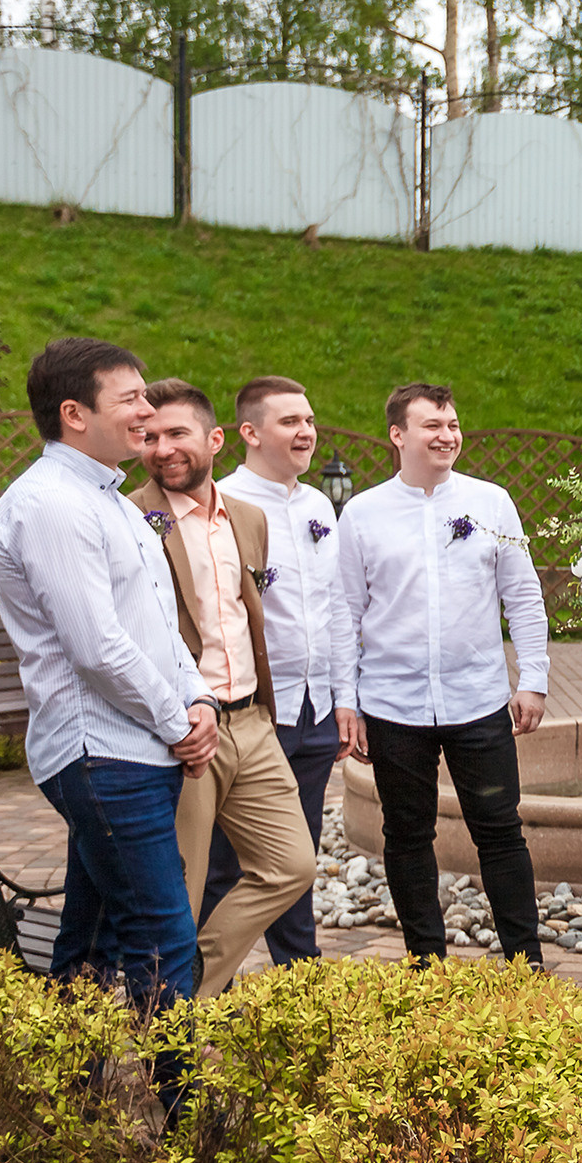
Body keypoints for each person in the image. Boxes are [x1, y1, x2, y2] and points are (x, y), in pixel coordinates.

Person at [0, 338, 218, 1013]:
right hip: (104, 756)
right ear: (74, 413)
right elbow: (97, 647)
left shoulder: (113, 502)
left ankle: (72, 1095)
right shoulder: (52, 505)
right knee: (164, 940)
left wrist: (198, 697)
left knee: (89, 940)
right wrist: (181, 724)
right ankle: (185, 1113)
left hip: (134, 750)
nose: (148, 409)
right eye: (132, 398)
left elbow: (157, 624)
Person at [335, 383, 549, 966]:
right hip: (392, 708)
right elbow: (344, 612)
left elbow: (523, 596)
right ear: (398, 435)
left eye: (453, 424)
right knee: (406, 837)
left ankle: (526, 967)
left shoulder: (491, 502)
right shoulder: (363, 514)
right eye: (432, 425)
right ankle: (424, 964)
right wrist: (345, 701)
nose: (447, 435)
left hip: (479, 703)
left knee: (501, 832)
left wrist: (533, 676)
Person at [129, 380, 317, 997]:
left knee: (291, 865)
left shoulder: (249, 518)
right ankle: (172, 1035)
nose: (162, 449)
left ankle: (182, 988)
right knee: (179, 890)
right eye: (150, 437)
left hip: (253, 722)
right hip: (185, 734)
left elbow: (244, 613)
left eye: (177, 433)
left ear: (213, 439)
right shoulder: (132, 520)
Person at [197, 375, 356, 965]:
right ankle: (207, 991)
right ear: (249, 432)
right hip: (249, 709)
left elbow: (337, 607)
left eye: (310, 420)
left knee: (296, 861)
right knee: (224, 865)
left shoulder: (319, 505)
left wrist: (345, 699)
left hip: (313, 711)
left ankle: (299, 983)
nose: (307, 431)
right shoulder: (223, 505)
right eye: (291, 421)